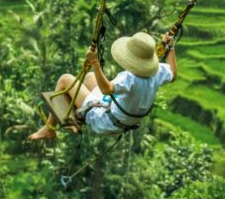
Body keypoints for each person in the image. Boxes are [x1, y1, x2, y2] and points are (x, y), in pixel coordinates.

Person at [29, 32, 178, 140]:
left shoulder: (129, 78)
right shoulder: (156, 72)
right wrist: (170, 48)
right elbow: (173, 73)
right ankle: (76, 120)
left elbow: (106, 89)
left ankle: (49, 129)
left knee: (65, 80)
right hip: (120, 119)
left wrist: (95, 62)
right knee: (89, 78)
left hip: (104, 121)